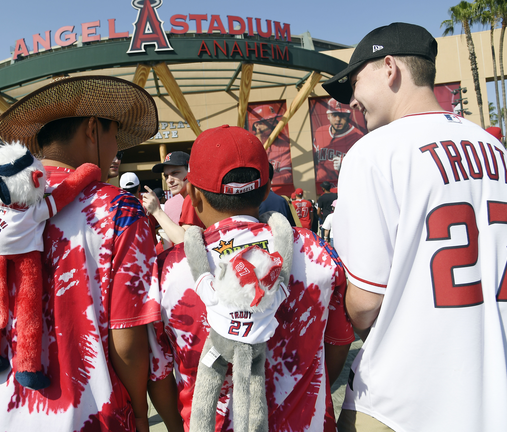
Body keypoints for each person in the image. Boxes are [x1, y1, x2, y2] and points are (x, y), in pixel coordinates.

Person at [324, 23, 507, 431]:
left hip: (407, 398)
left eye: (356, 81)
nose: (353, 102)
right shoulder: (498, 151)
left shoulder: (373, 152)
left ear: (390, 67)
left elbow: (364, 305)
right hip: (502, 387)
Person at [0, 76, 162, 432]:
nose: (116, 152)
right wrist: (140, 413)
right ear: (93, 130)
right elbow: (127, 340)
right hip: (90, 416)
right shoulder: (119, 211)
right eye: (115, 138)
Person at [147, 125, 354, 430]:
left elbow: (159, 373)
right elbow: (338, 342)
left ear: (193, 195)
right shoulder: (316, 252)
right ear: (268, 189)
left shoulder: (168, 270)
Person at [141, 151, 205, 245]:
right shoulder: (190, 196)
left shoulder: (192, 197)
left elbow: (184, 241)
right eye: (166, 176)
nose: (169, 180)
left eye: (175, 173)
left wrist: (157, 211)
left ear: (190, 171)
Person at [313, 98, 364, 187]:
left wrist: (345, 166)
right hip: (323, 187)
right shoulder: (319, 132)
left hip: (347, 186)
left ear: (348, 116)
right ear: (328, 116)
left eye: (342, 115)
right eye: (334, 115)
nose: (338, 119)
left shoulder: (358, 136)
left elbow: (363, 168)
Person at [250, 105, 293, 188]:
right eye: (270, 121)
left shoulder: (283, 146)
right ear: (257, 125)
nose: (275, 124)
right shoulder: (249, 147)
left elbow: (287, 175)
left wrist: (266, 182)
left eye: (274, 120)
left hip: (277, 191)